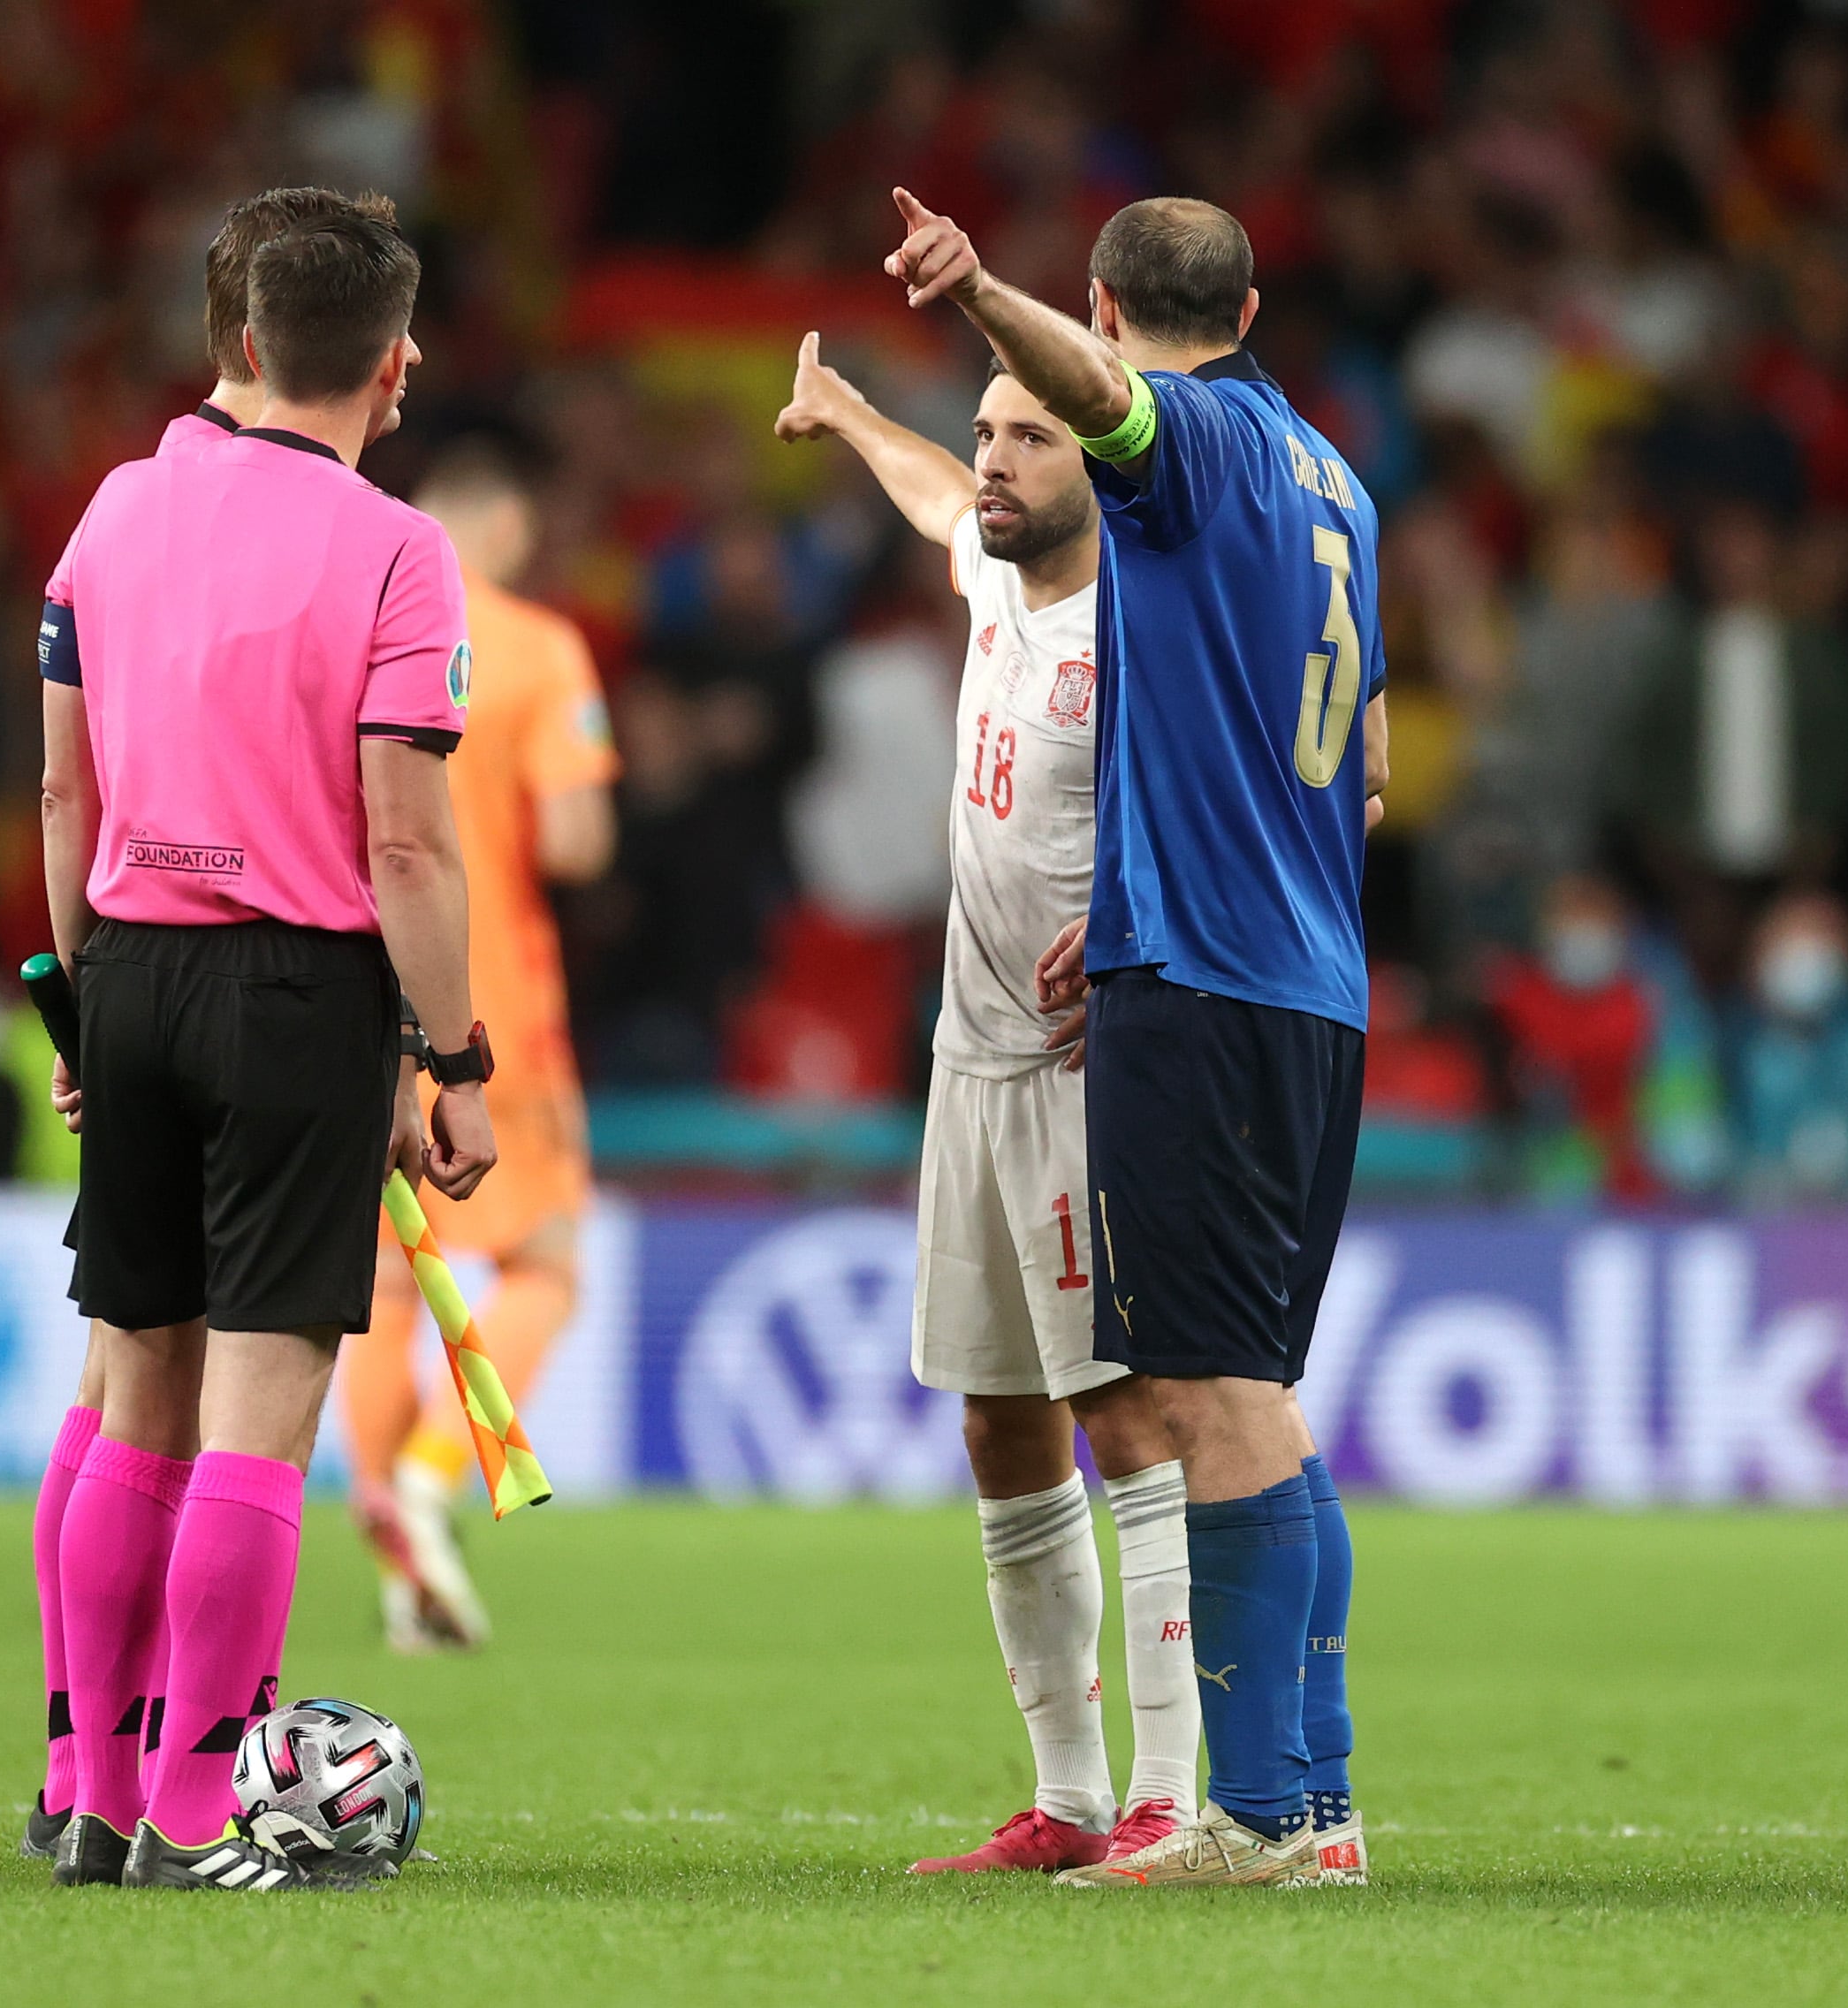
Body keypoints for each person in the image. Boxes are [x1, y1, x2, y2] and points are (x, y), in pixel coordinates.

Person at [885, 186, 1386, 1888]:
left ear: (1105, 309)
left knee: (1209, 1401)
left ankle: (1248, 1815)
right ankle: (1310, 1806)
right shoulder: (1338, 483)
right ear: (1254, 305)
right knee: (1262, 1402)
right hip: (1312, 979)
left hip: (1204, 977)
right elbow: (1369, 736)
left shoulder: (1203, 456)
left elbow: (1116, 407)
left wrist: (971, 291)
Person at [34, 199, 496, 1893]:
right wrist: (451, 1058)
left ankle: (89, 1784)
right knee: (257, 1420)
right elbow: (407, 848)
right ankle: (194, 1811)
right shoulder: (396, 548)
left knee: (134, 1398)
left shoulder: (113, 508)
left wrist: (80, 1002)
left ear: (238, 344)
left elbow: (62, 792)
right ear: (384, 364)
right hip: (298, 992)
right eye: (412, 341)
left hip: (134, 968)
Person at [771, 335, 1204, 1876]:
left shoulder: (1149, 631)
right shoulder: (993, 578)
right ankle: (1073, 1801)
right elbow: (930, 487)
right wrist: (851, 418)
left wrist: (1146, 933)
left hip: (1095, 1076)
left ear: (1100, 456)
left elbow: (1263, 808)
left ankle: (1171, 1792)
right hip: (971, 1059)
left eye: (1031, 437)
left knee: (1121, 1410)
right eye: (990, 435)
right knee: (999, 1420)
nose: (999, 463)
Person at [335, 437, 617, 1651]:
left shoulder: (355, 628)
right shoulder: (540, 646)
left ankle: (392, 1545)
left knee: (387, 1276)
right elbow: (574, 840)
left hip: (350, 989)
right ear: (501, 524)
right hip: (488, 1002)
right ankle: (437, 1472)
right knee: (548, 1262)